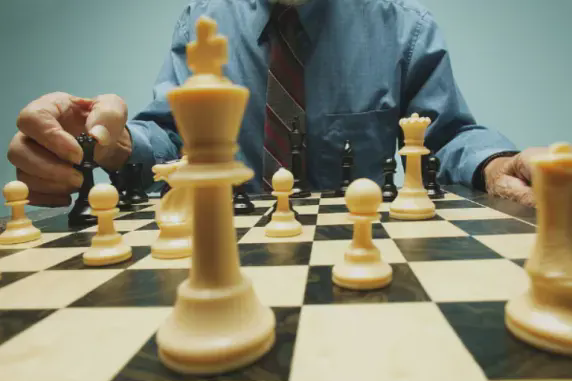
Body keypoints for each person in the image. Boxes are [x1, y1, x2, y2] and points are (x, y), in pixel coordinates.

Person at [7, 0, 542, 208]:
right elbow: (173, 140)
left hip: (365, 258)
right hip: (222, 252)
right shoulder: (202, 24)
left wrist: (498, 164)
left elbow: (446, 137)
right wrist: (105, 142)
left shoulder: (405, 29)